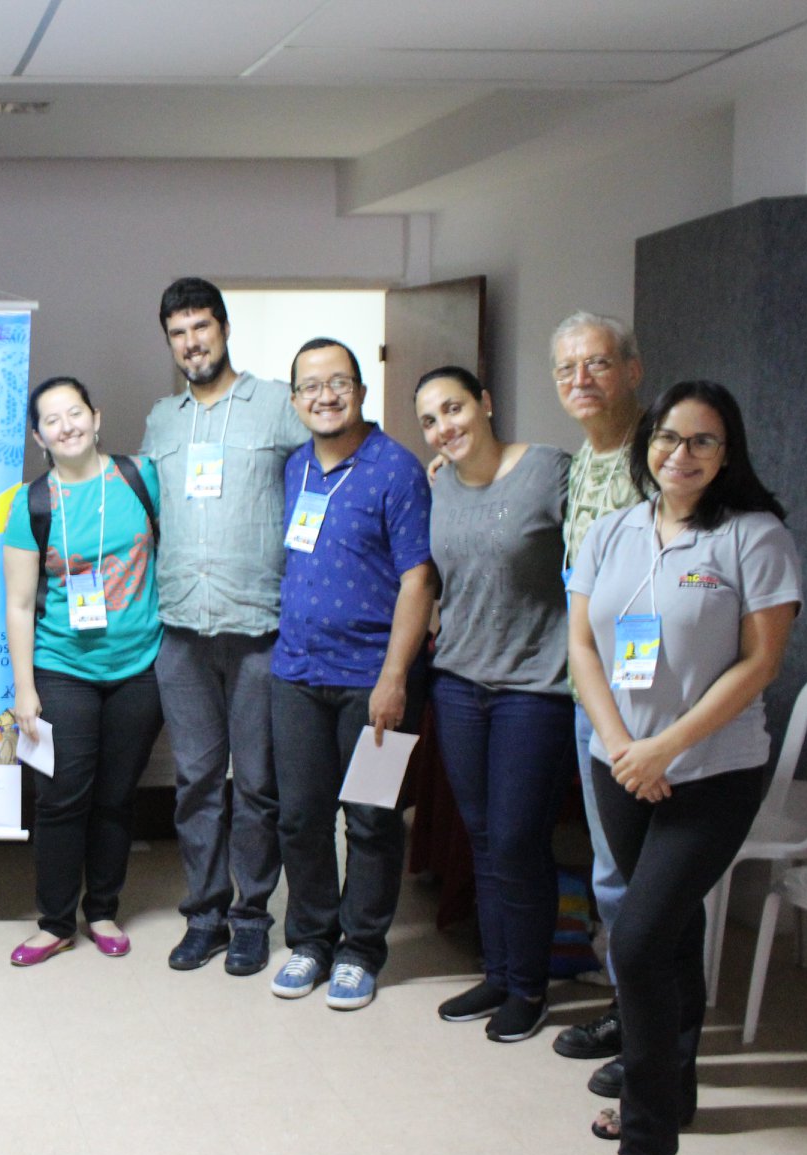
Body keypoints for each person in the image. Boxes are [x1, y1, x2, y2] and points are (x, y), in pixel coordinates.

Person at [567, 380, 798, 1155]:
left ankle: (646, 1138)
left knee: (635, 941)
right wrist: (623, 746)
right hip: (622, 763)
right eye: (669, 437)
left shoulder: (754, 536)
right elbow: (583, 647)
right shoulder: (611, 531)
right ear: (648, 444)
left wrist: (666, 745)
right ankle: (675, 1089)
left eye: (703, 440)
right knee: (668, 932)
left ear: (727, 453)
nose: (682, 454)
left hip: (713, 771)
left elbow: (760, 663)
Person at [140, 277, 308, 975]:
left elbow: (332, 462)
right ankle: (204, 914)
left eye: (201, 327)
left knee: (258, 786)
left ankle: (251, 917)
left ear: (225, 328)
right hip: (181, 628)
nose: (191, 343)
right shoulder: (162, 420)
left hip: (259, 625)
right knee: (196, 783)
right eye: (178, 333)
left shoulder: (277, 405)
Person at [269, 338, 436, 1010]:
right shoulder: (295, 467)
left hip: (374, 678)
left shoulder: (397, 470)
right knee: (300, 818)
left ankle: (360, 951)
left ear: (362, 392)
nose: (325, 396)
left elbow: (418, 578)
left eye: (338, 382)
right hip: (297, 674)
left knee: (370, 818)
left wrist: (395, 677)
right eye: (310, 386)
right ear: (294, 401)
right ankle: (311, 940)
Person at [417, 367, 575, 1042]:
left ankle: (530, 987)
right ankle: (499, 972)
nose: (443, 427)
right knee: (480, 837)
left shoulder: (548, 470)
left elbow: (596, 562)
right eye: (429, 420)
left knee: (517, 839)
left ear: (484, 403)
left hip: (535, 685)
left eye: (453, 408)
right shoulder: (440, 485)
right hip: (458, 681)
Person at [2, 377, 164, 965]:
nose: (66, 426)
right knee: (61, 797)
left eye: (75, 413)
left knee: (116, 796)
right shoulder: (31, 503)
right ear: (38, 437)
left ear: (96, 417)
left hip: (140, 666)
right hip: (62, 667)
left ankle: (102, 909)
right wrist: (25, 689)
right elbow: (20, 603)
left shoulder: (141, 479)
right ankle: (54, 922)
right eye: (52, 419)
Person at [548, 312, 652, 1096]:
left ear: (633, 370)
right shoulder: (583, 460)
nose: (580, 380)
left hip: (648, 696)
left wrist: (637, 694)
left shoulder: (662, 456)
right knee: (613, 867)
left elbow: (690, 575)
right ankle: (631, 1011)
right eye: (567, 369)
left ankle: (658, 1034)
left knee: (651, 874)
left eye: (597, 364)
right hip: (593, 691)